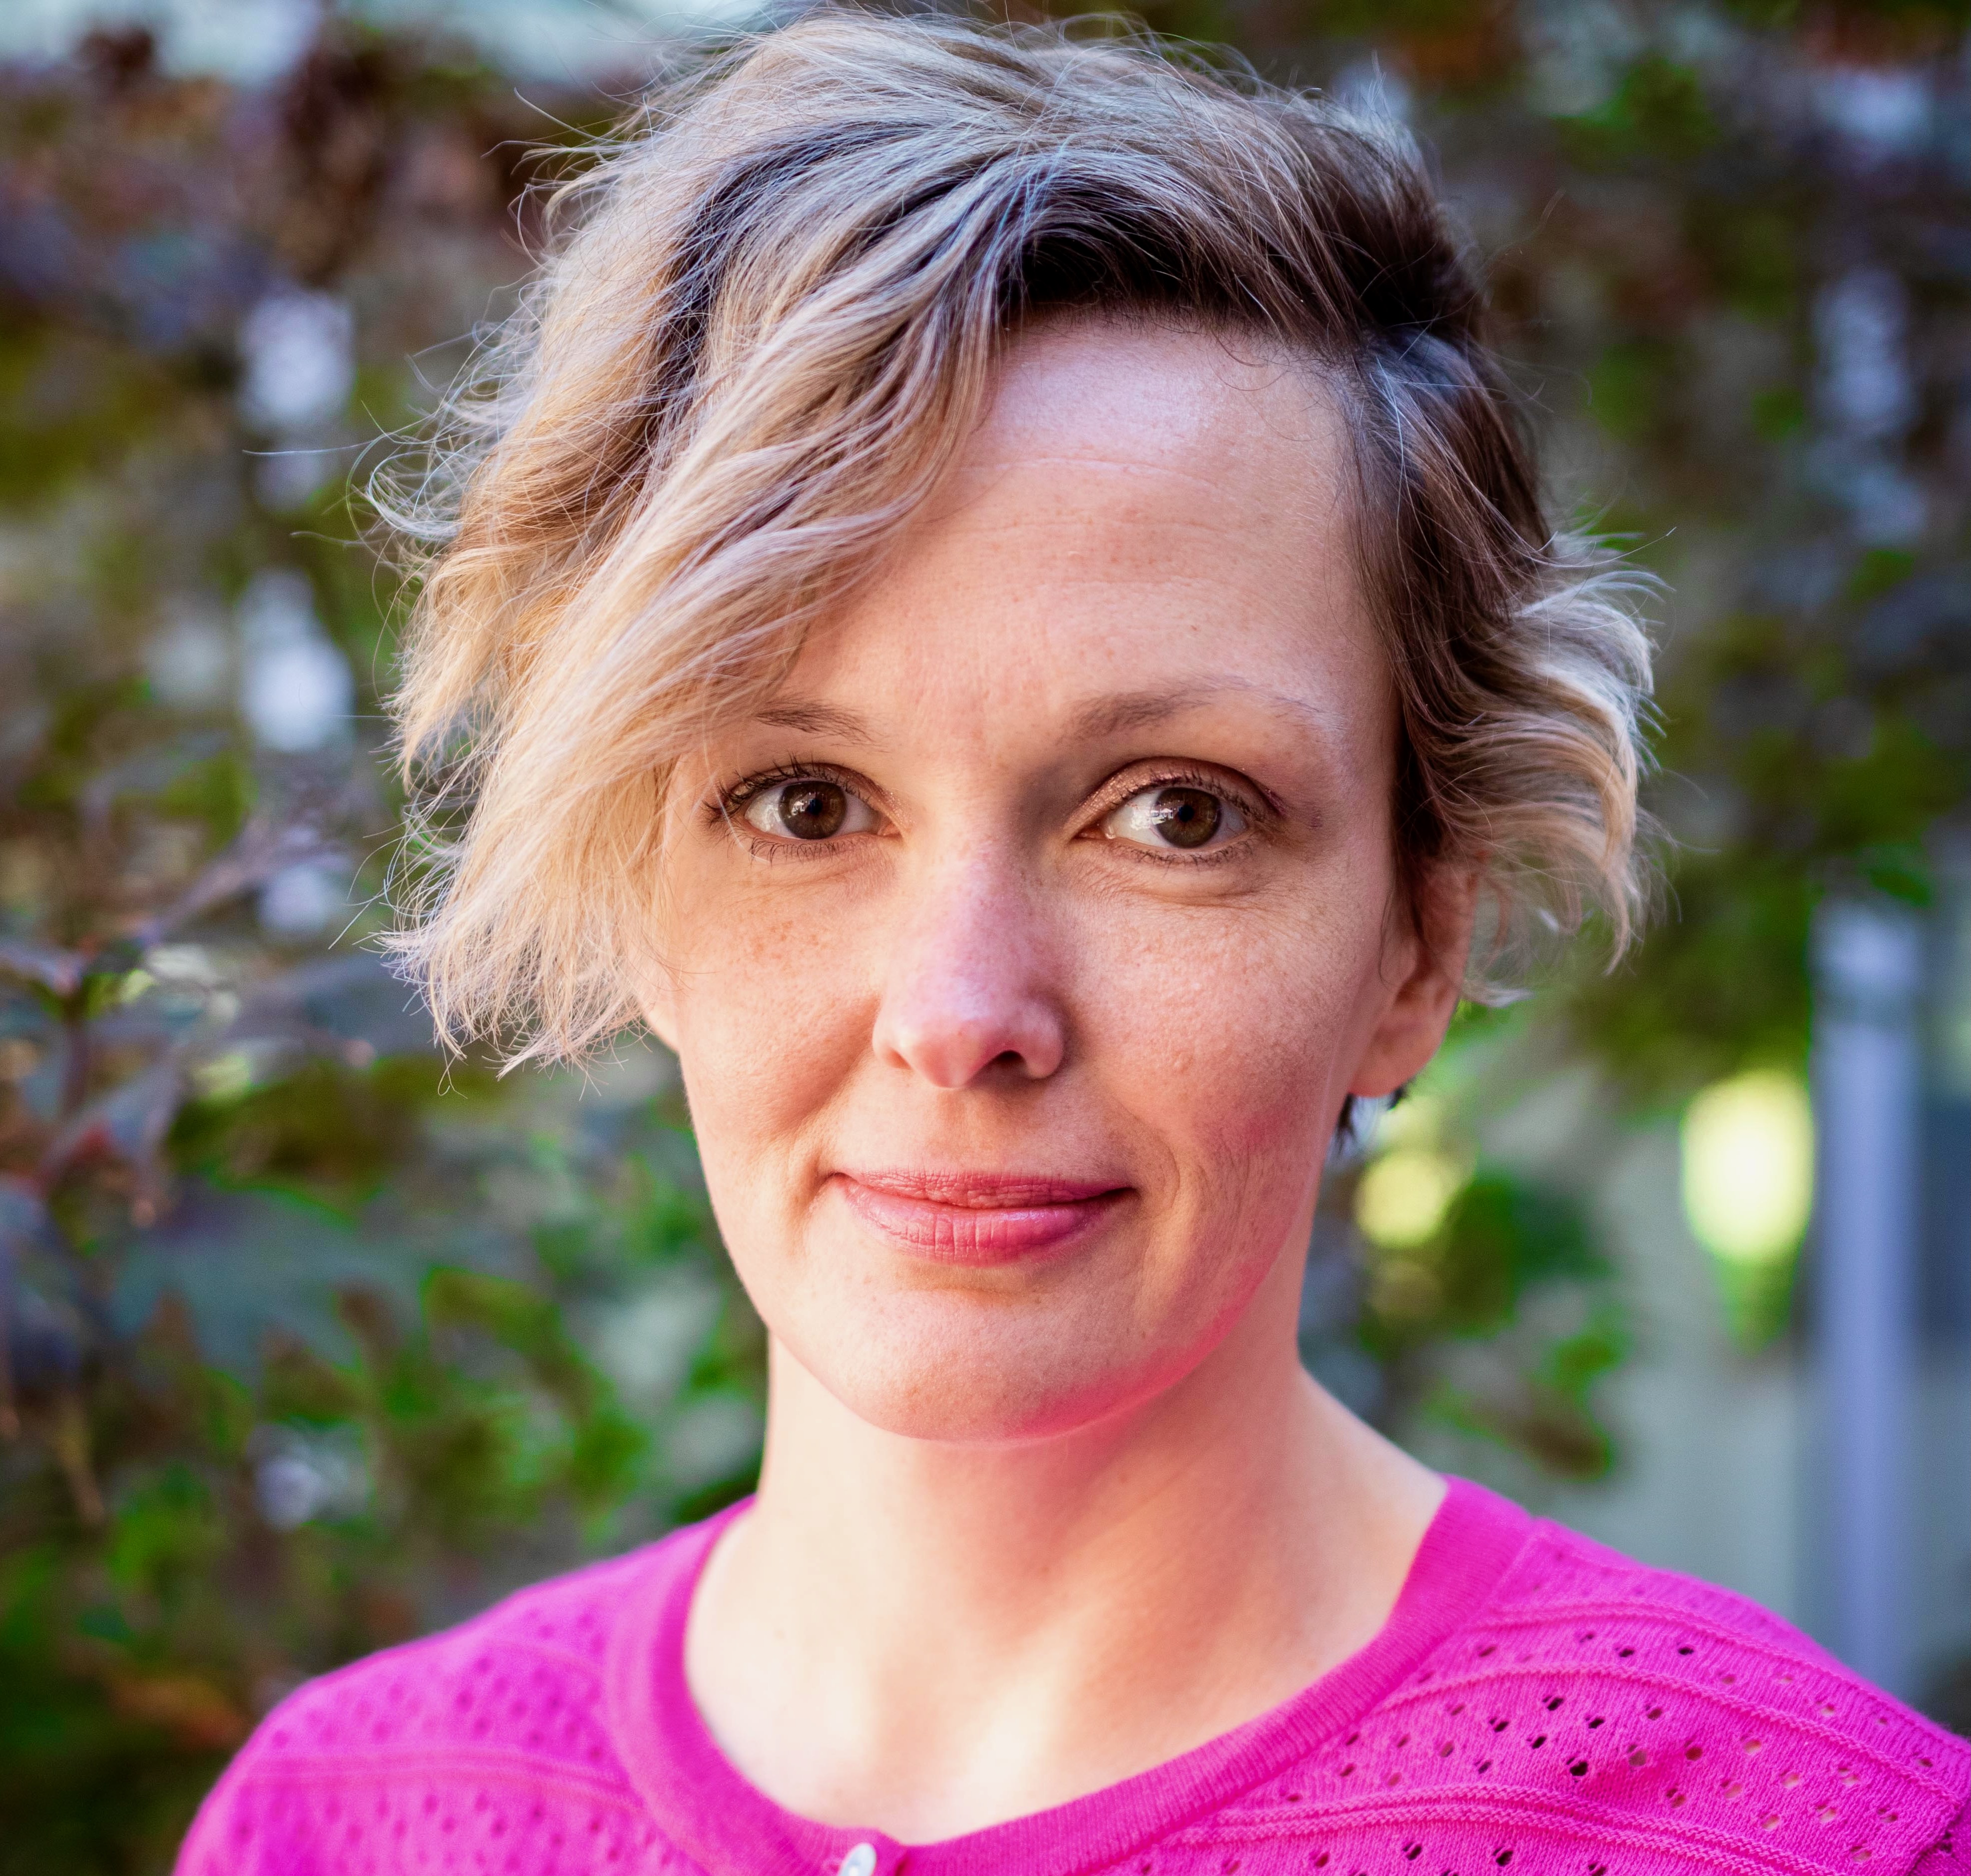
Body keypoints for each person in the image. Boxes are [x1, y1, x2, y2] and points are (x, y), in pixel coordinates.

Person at [177, 13, 1968, 1874]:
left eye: (1175, 811)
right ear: (638, 887)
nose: (962, 1014)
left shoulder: (1807, 1838)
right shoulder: (350, 1816)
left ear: (1419, 937)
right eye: (802, 802)